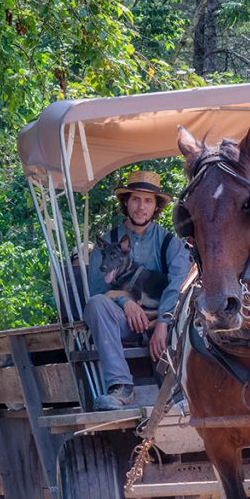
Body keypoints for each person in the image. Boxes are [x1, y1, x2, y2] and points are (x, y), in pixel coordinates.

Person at [85, 170, 192, 410]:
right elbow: (98, 290)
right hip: (121, 323)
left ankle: (184, 389)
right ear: (126, 202)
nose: (141, 207)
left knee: (196, 306)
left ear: (156, 206)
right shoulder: (107, 242)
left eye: (148, 200)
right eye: (135, 199)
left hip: (164, 324)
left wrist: (163, 322)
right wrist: (127, 303)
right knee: (95, 305)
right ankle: (121, 387)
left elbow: (178, 286)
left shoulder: (169, 243)